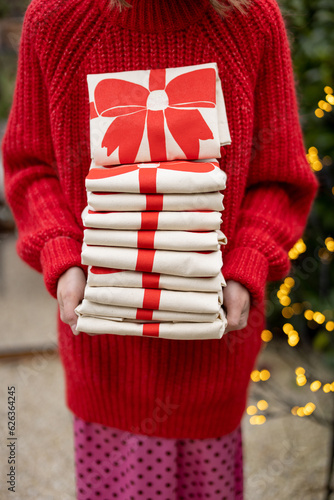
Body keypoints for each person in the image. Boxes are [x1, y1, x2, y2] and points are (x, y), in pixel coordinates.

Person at [2, 0, 318, 498]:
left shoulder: (252, 20)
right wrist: (61, 256)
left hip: (212, 352)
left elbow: (279, 177)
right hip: (105, 350)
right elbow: (30, 165)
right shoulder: (56, 21)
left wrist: (247, 264)